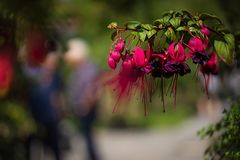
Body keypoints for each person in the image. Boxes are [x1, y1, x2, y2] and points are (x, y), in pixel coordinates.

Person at [65, 38, 101, 160]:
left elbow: (92, 89)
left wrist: (86, 104)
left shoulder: (88, 69)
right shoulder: (82, 69)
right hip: (83, 108)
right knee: (87, 137)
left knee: (88, 136)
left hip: (86, 109)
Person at [25, 51, 63, 160]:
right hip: (35, 116)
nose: (53, 65)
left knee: (55, 147)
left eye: (55, 63)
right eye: (50, 62)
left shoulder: (56, 76)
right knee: (34, 147)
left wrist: (60, 111)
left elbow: (58, 95)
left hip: (51, 117)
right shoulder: (34, 75)